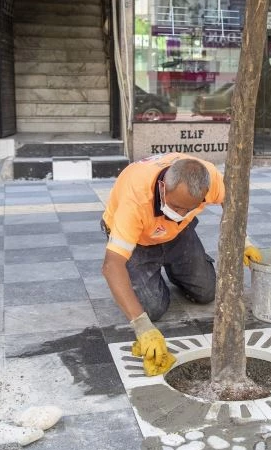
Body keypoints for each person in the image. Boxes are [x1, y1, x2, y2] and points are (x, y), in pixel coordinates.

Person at [101, 153, 262, 376]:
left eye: (190, 209)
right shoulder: (136, 199)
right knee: (151, 309)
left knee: (207, 291)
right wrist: (142, 327)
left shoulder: (209, 178)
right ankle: (147, 273)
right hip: (138, 241)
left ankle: (174, 269)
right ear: (162, 187)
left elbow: (231, 201)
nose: (180, 214)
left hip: (178, 235)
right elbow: (111, 265)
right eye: (176, 207)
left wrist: (243, 240)